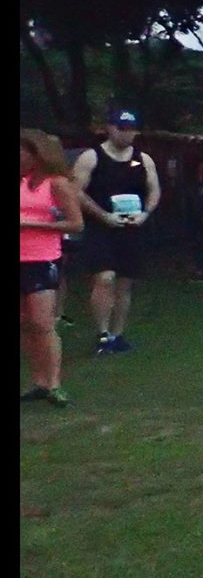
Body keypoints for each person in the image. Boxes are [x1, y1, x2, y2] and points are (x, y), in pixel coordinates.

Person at [72, 109, 160, 356]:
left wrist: (145, 213)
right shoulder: (92, 157)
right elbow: (76, 190)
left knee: (124, 282)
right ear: (110, 128)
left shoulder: (142, 160)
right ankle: (102, 333)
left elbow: (154, 189)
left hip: (131, 227)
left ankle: (117, 334)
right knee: (105, 278)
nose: (126, 134)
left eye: (131, 129)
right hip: (101, 227)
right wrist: (102, 215)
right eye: (121, 129)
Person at [20, 129, 83, 406]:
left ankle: (54, 383)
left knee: (42, 322)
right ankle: (38, 381)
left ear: (36, 154)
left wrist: (32, 225)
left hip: (42, 258)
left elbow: (75, 224)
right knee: (25, 323)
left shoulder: (56, 184)